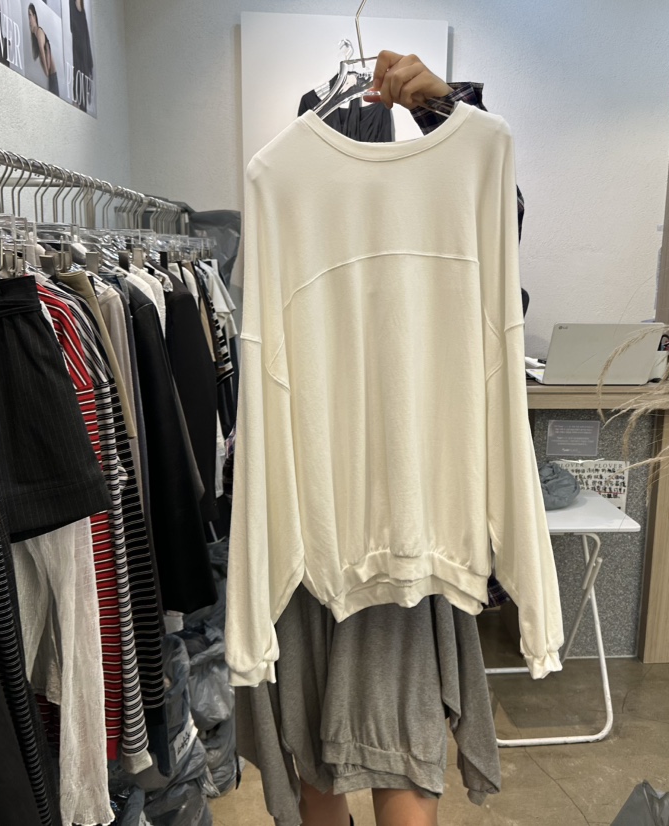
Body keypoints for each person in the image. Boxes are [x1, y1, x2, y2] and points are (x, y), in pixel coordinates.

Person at [237, 50, 527, 826]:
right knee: (383, 741)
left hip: (339, 517)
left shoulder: (296, 189)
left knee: (339, 752)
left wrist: (445, 111)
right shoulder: (295, 181)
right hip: (388, 518)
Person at [27, 3, 59, 95]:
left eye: (30, 15)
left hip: (52, 77)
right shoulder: (35, 34)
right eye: (28, 16)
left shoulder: (39, 32)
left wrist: (46, 72)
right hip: (51, 78)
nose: (29, 19)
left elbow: (42, 52)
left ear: (34, 16)